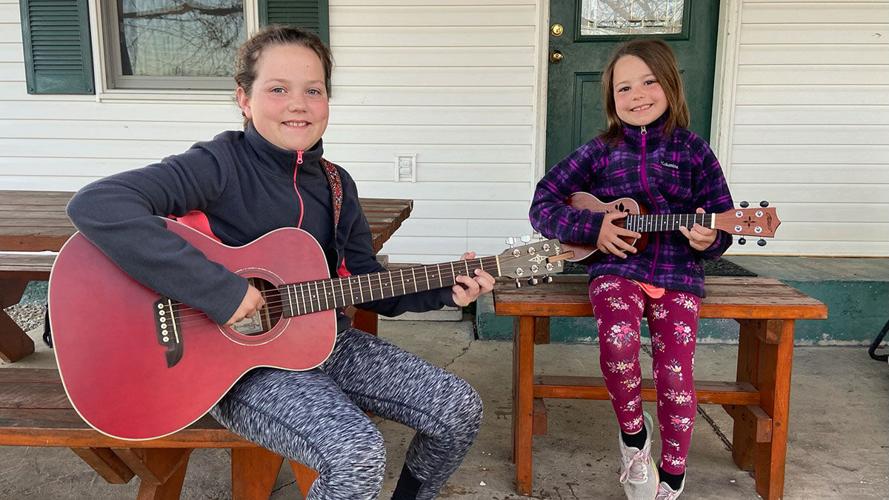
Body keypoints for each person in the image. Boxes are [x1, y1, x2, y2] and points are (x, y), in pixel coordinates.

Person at [66, 26, 494, 500]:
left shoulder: (335, 185)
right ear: (243, 99)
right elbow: (100, 204)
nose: (299, 104)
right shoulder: (218, 164)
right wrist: (222, 293)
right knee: (356, 452)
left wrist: (445, 289)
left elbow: (365, 282)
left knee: (459, 408)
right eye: (278, 89)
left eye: (314, 90)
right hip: (234, 369)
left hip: (326, 342)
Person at [529, 39, 734, 500]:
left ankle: (674, 474)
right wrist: (593, 226)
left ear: (672, 86)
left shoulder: (695, 152)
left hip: (678, 272)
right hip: (616, 268)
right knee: (619, 344)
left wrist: (711, 237)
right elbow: (542, 205)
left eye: (649, 82)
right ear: (611, 100)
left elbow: (721, 223)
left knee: (675, 373)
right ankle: (635, 440)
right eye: (624, 88)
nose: (637, 94)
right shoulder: (600, 151)